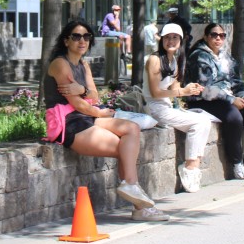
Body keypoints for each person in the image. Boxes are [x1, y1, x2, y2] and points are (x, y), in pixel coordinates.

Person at [44, 19, 167, 221]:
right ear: (66, 41)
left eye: (86, 36)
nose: (82, 41)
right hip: (69, 122)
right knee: (124, 149)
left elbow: (94, 96)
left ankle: (133, 190)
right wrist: (98, 112)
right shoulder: (60, 64)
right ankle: (139, 206)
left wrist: (82, 89)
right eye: (76, 36)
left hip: (87, 115)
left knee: (131, 128)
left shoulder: (83, 64)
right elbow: (78, 103)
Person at [185, 22, 244, 180]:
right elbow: (205, 88)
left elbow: (236, 81)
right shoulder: (199, 56)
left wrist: (243, 95)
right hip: (203, 100)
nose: (218, 38)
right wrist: (231, 100)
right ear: (206, 37)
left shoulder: (226, 57)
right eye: (214, 35)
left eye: (222, 36)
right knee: (234, 117)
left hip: (227, 99)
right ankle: (236, 162)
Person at [142, 23, 211, 192]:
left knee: (205, 120)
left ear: (181, 40)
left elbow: (174, 89)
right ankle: (190, 168)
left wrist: (189, 88)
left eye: (175, 37)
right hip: (154, 108)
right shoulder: (154, 59)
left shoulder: (175, 60)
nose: (171, 41)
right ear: (161, 40)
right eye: (167, 37)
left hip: (166, 107)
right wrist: (182, 92)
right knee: (200, 122)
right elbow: (155, 93)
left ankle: (193, 166)